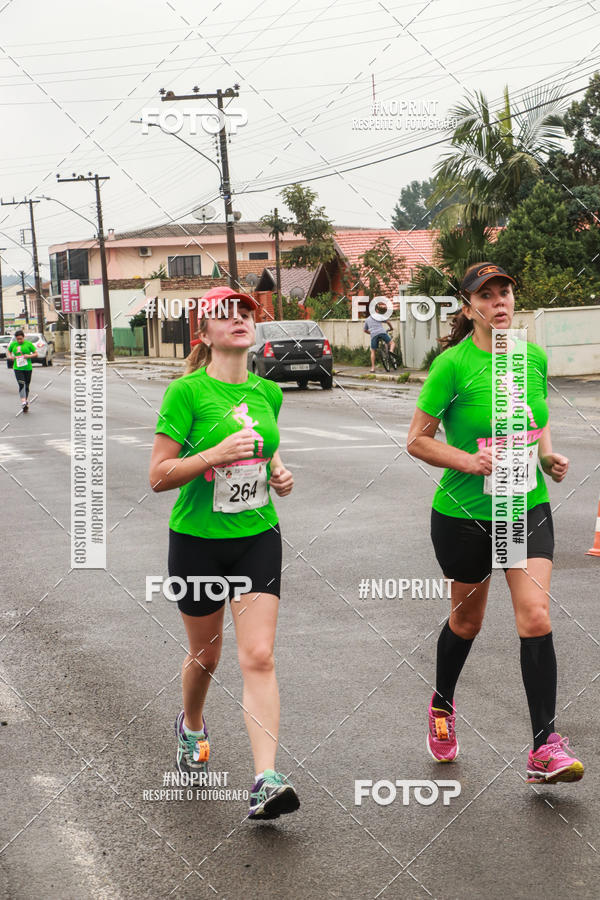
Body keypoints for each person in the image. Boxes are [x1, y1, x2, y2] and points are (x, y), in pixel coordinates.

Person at [407, 262, 584, 785]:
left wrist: (547, 455)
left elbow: (538, 413)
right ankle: (442, 704)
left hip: (524, 505)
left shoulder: (530, 356)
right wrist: (469, 461)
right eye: (487, 294)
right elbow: (417, 439)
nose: (500, 300)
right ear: (469, 308)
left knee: (535, 614)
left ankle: (543, 747)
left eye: (505, 290)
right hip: (465, 515)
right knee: (468, 622)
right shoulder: (452, 366)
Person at [149, 286, 300, 820]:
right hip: (197, 543)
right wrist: (212, 454)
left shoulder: (267, 392)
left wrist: (277, 472)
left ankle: (265, 779)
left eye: (246, 313)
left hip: (258, 536)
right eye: (225, 315)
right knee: (206, 657)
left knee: (257, 655)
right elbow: (158, 476)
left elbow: (265, 444)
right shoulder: (186, 393)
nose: (239, 320)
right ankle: (191, 723)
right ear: (205, 334)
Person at [7, 330, 37, 412]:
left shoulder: (29, 344)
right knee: (22, 384)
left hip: (28, 368)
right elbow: (8, 351)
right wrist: (10, 356)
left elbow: (36, 353)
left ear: (24, 337)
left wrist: (29, 356)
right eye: (17, 339)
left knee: (26, 386)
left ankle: (25, 402)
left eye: (20, 339)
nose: (19, 340)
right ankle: (23, 401)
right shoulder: (13, 344)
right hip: (18, 368)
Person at [363, 304, 396, 372]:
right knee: (392, 343)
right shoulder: (379, 316)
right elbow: (388, 322)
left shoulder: (367, 319)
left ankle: (372, 368)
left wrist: (371, 333)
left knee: (373, 351)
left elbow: (365, 330)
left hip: (374, 335)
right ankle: (391, 351)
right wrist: (391, 328)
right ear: (376, 311)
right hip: (382, 332)